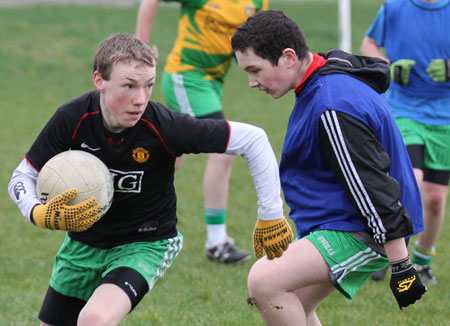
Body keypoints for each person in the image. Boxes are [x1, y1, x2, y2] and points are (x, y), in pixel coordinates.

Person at [7, 32, 293, 326]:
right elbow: (23, 175)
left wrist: (271, 215)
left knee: (94, 319)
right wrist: (36, 211)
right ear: (99, 80)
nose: (140, 99)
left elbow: (254, 139)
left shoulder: (164, 126)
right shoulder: (73, 117)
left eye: (149, 86)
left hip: (145, 242)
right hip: (83, 245)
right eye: (129, 86)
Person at [230, 10, 427, 325]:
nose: (252, 83)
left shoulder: (331, 105)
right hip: (346, 220)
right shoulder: (324, 77)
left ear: (289, 57)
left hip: (364, 228)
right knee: (294, 303)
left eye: (255, 70)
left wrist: (401, 264)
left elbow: (372, 185)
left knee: (264, 281)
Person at [135, 0, 268, 264]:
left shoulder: (256, 2)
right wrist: (139, 48)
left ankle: (129, 216)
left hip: (212, 83)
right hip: (187, 76)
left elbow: (255, 40)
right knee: (223, 151)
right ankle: (216, 242)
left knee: (169, 157)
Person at [360, 0, 450, 284]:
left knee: (435, 198)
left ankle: (423, 261)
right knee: (411, 179)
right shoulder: (395, 7)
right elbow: (369, 43)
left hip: (445, 116)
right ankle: (389, 251)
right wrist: (389, 65)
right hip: (403, 110)